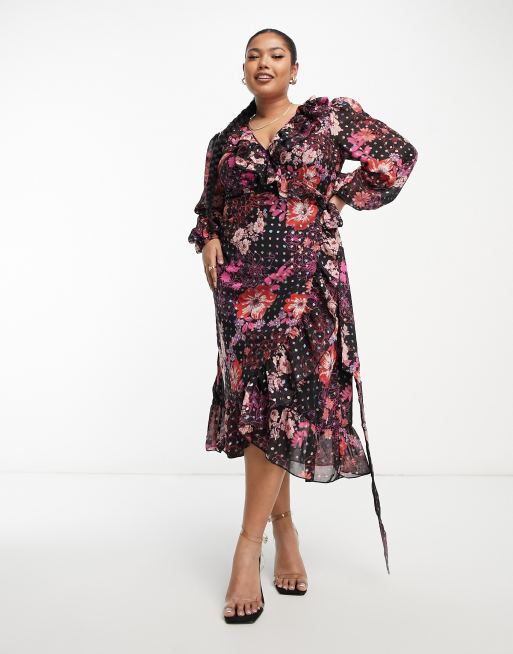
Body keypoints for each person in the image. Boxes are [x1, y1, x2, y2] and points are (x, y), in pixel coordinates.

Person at [188, 28, 418, 623]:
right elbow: (208, 206)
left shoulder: (326, 119)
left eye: (276, 55)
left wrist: (337, 198)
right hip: (241, 293)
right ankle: (285, 527)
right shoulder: (225, 141)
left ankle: (248, 546)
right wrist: (208, 239)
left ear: (294, 69)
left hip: (308, 283)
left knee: (290, 401)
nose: (263, 63)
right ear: (243, 70)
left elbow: (397, 155)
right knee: (259, 406)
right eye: (253, 56)